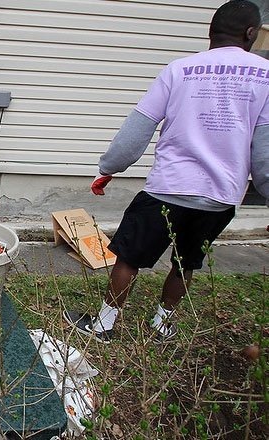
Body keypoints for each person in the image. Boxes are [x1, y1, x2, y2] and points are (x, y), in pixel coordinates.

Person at [64, 0, 269, 344]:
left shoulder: (180, 70)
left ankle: (103, 325)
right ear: (251, 33)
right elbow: (264, 152)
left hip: (166, 191)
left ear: (211, 31)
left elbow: (137, 130)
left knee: (129, 257)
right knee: (186, 262)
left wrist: (109, 168)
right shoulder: (264, 76)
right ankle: (161, 325)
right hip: (220, 197)